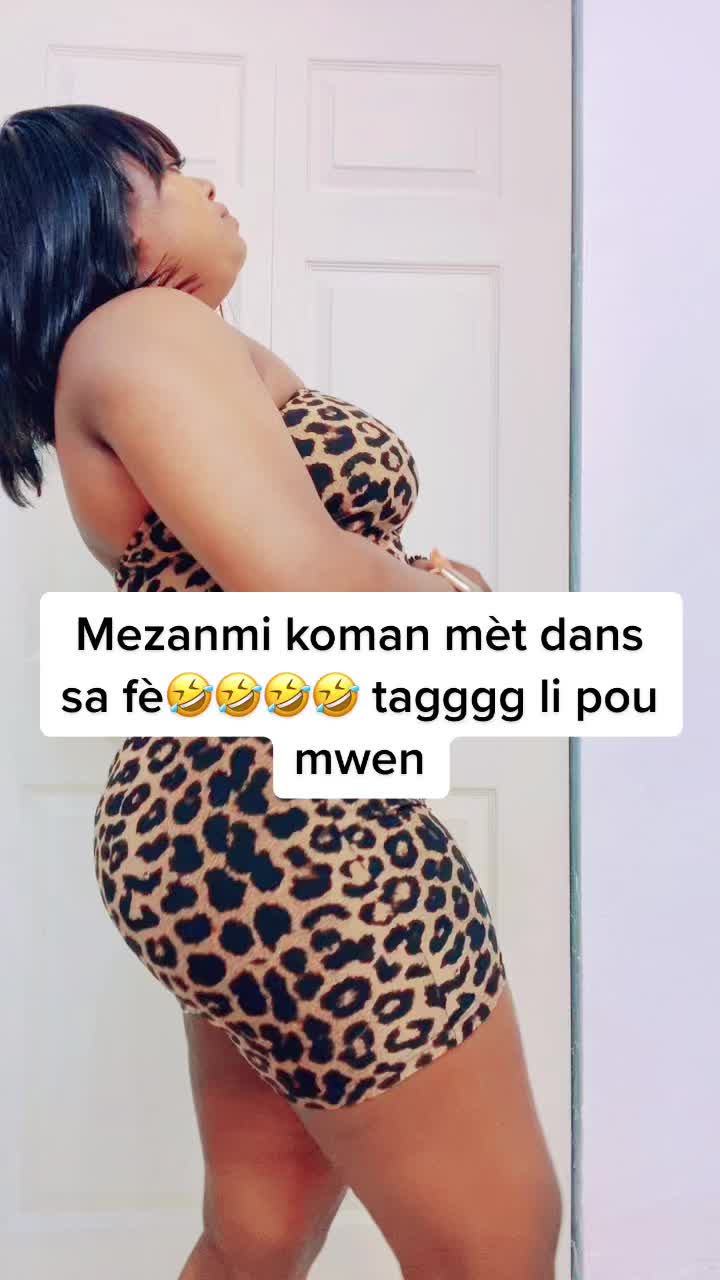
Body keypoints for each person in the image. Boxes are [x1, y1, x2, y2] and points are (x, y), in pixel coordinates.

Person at [0, 104, 562, 1279]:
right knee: (499, 1242)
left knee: (253, 1237)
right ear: (100, 217)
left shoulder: (139, 353)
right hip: (291, 820)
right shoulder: (143, 328)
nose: (207, 187)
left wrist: (412, 587)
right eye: (167, 172)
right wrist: (463, 609)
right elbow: (308, 582)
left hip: (229, 815)